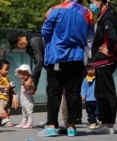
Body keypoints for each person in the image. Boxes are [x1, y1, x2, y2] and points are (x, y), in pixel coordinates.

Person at [41, 0, 94, 137]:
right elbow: (90, 36)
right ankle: (71, 126)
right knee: (73, 93)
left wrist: (53, 42)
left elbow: (46, 31)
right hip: (76, 57)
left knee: (54, 91)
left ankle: (51, 125)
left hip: (57, 56)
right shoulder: (87, 13)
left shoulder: (55, 10)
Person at [87, 0, 117, 134]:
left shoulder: (108, 16)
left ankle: (109, 124)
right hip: (101, 62)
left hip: (106, 61)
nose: (91, 4)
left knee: (106, 93)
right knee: (100, 93)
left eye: (92, 1)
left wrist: (110, 51)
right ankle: (105, 122)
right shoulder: (104, 15)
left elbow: (113, 38)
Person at [0, 59, 19, 127]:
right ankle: (4, 120)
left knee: (5, 108)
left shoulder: (6, 78)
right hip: (0, 97)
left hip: (6, 97)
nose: (7, 71)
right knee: (1, 108)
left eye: (8, 69)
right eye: (6, 69)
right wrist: (6, 86)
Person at [81, 62, 101, 129]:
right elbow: (83, 88)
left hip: (97, 99)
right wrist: (83, 95)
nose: (90, 71)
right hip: (88, 99)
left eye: (92, 69)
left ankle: (100, 121)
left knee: (98, 112)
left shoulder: (98, 78)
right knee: (90, 112)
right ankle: (92, 122)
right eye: (89, 70)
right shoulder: (85, 79)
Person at [15, 64, 35, 129]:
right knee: (24, 112)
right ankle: (24, 122)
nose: (22, 76)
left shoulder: (30, 82)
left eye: (24, 74)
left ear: (29, 73)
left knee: (29, 113)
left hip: (28, 101)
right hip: (23, 101)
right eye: (21, 74)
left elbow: (33, 90)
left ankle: (30, 123)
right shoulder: (23, 81)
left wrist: (29, 88)